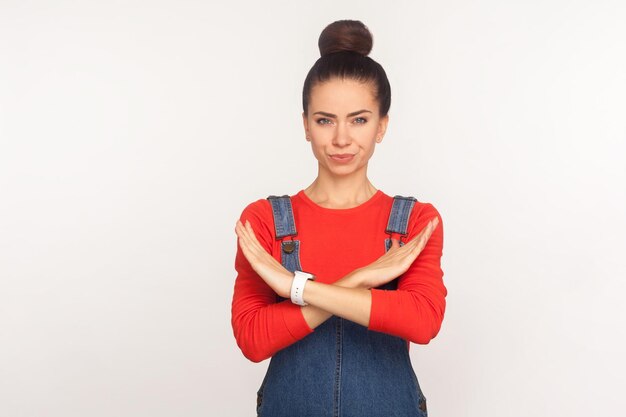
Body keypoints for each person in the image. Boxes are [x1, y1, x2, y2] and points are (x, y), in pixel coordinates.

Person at [231, 19, 446, 417]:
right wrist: (360, 279)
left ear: (382, 126)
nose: (342, 139)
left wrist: (292, 286)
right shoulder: (264, 220)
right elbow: (253, 339)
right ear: (306, 126)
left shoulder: (416, 221)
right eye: (325, 120)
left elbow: (423, 321)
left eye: (359, 120)